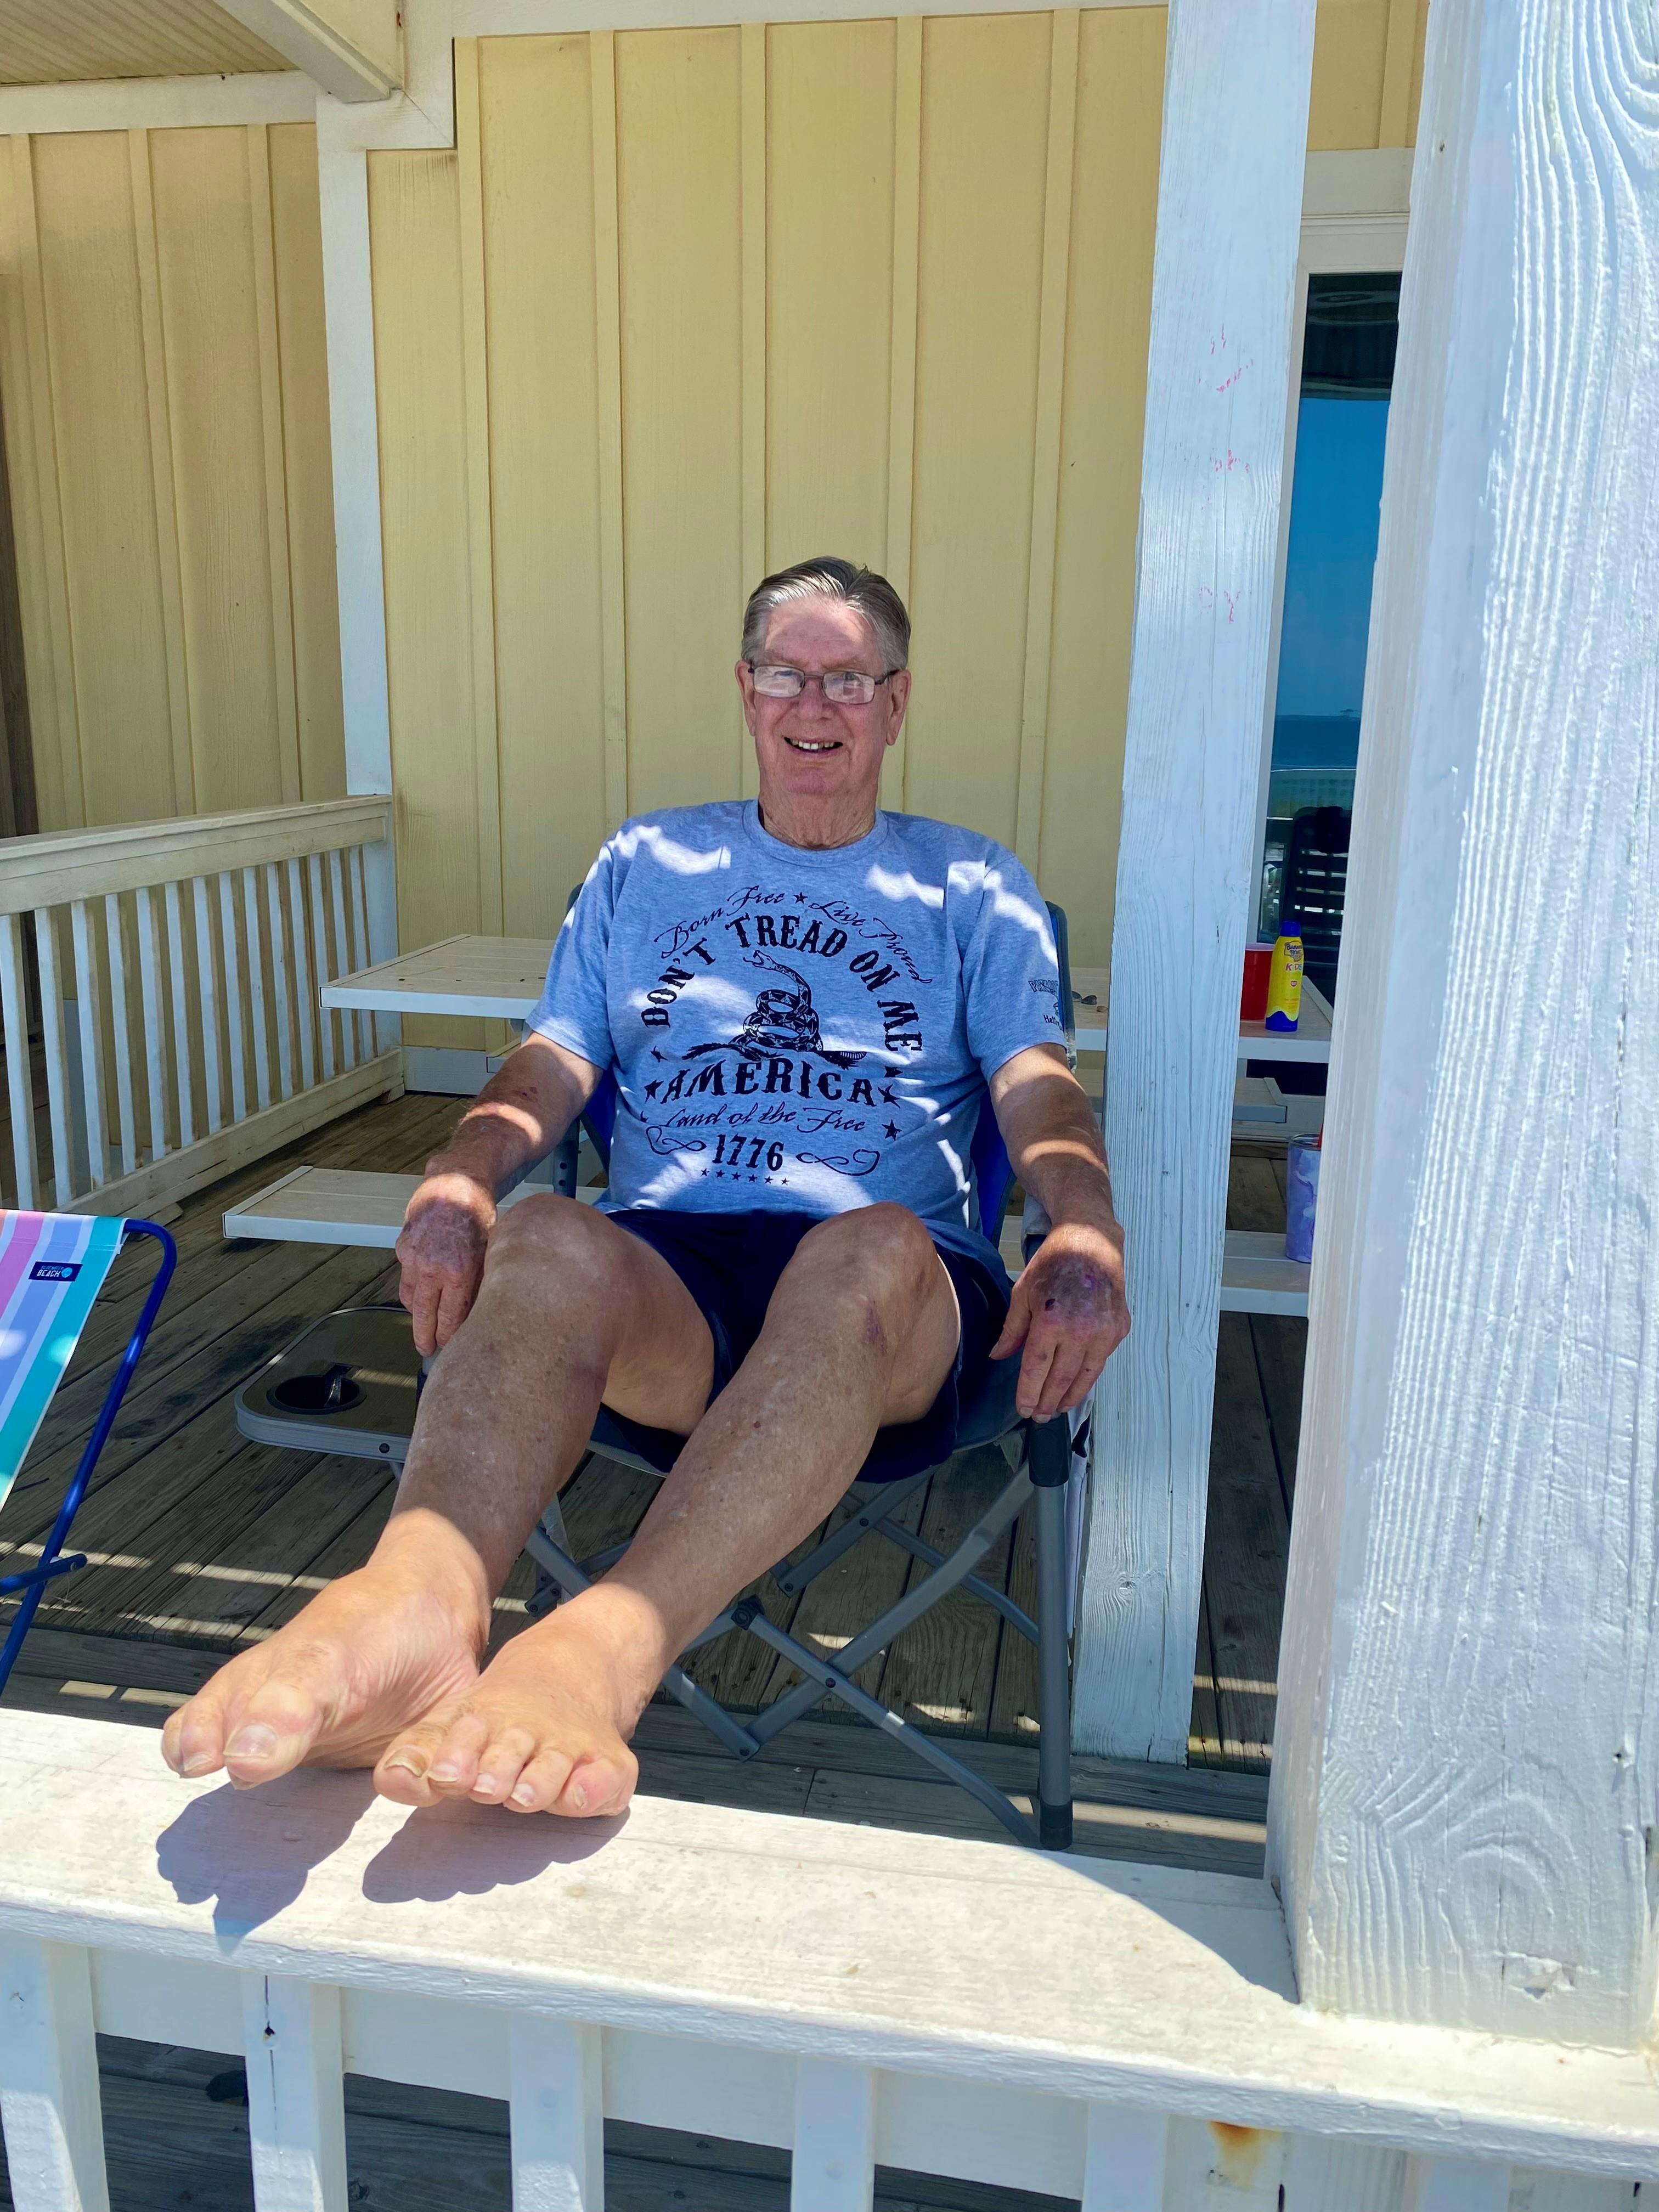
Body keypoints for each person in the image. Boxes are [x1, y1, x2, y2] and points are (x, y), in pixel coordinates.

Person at [161, 558, 1130, 1819]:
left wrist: (1087, 1228)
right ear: (744, 690)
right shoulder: (649, 860)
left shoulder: (970, 881)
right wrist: (463, 1174)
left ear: (895, 705)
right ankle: (416, 1605)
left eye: (848, 677)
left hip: (891, 1297)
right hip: (672, 1267)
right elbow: (556, 1057)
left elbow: (1037, 1086)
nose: (813, 702)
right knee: (554, 1234)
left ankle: (602, 1644)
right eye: (785, 671)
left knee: (866, 1248)